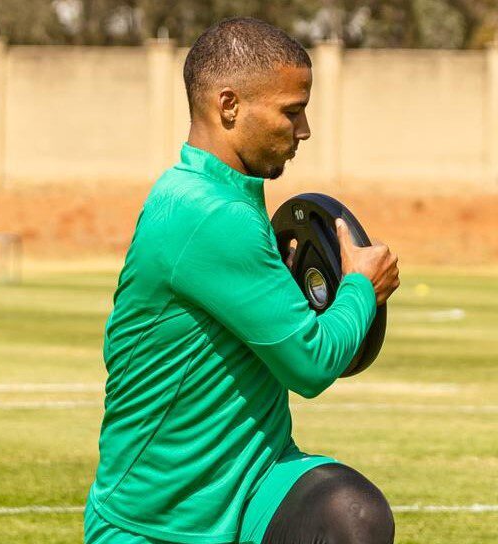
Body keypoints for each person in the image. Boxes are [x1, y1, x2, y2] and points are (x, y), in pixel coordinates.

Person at [85, 17, 401, 544]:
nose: (304, 130)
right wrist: (361, 286)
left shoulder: (216, 197)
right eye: (291, 112)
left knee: (351, 515)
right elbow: (311, 364)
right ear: (229, 106)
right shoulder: (209, 213)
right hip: (157, 522)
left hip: (254, 484)